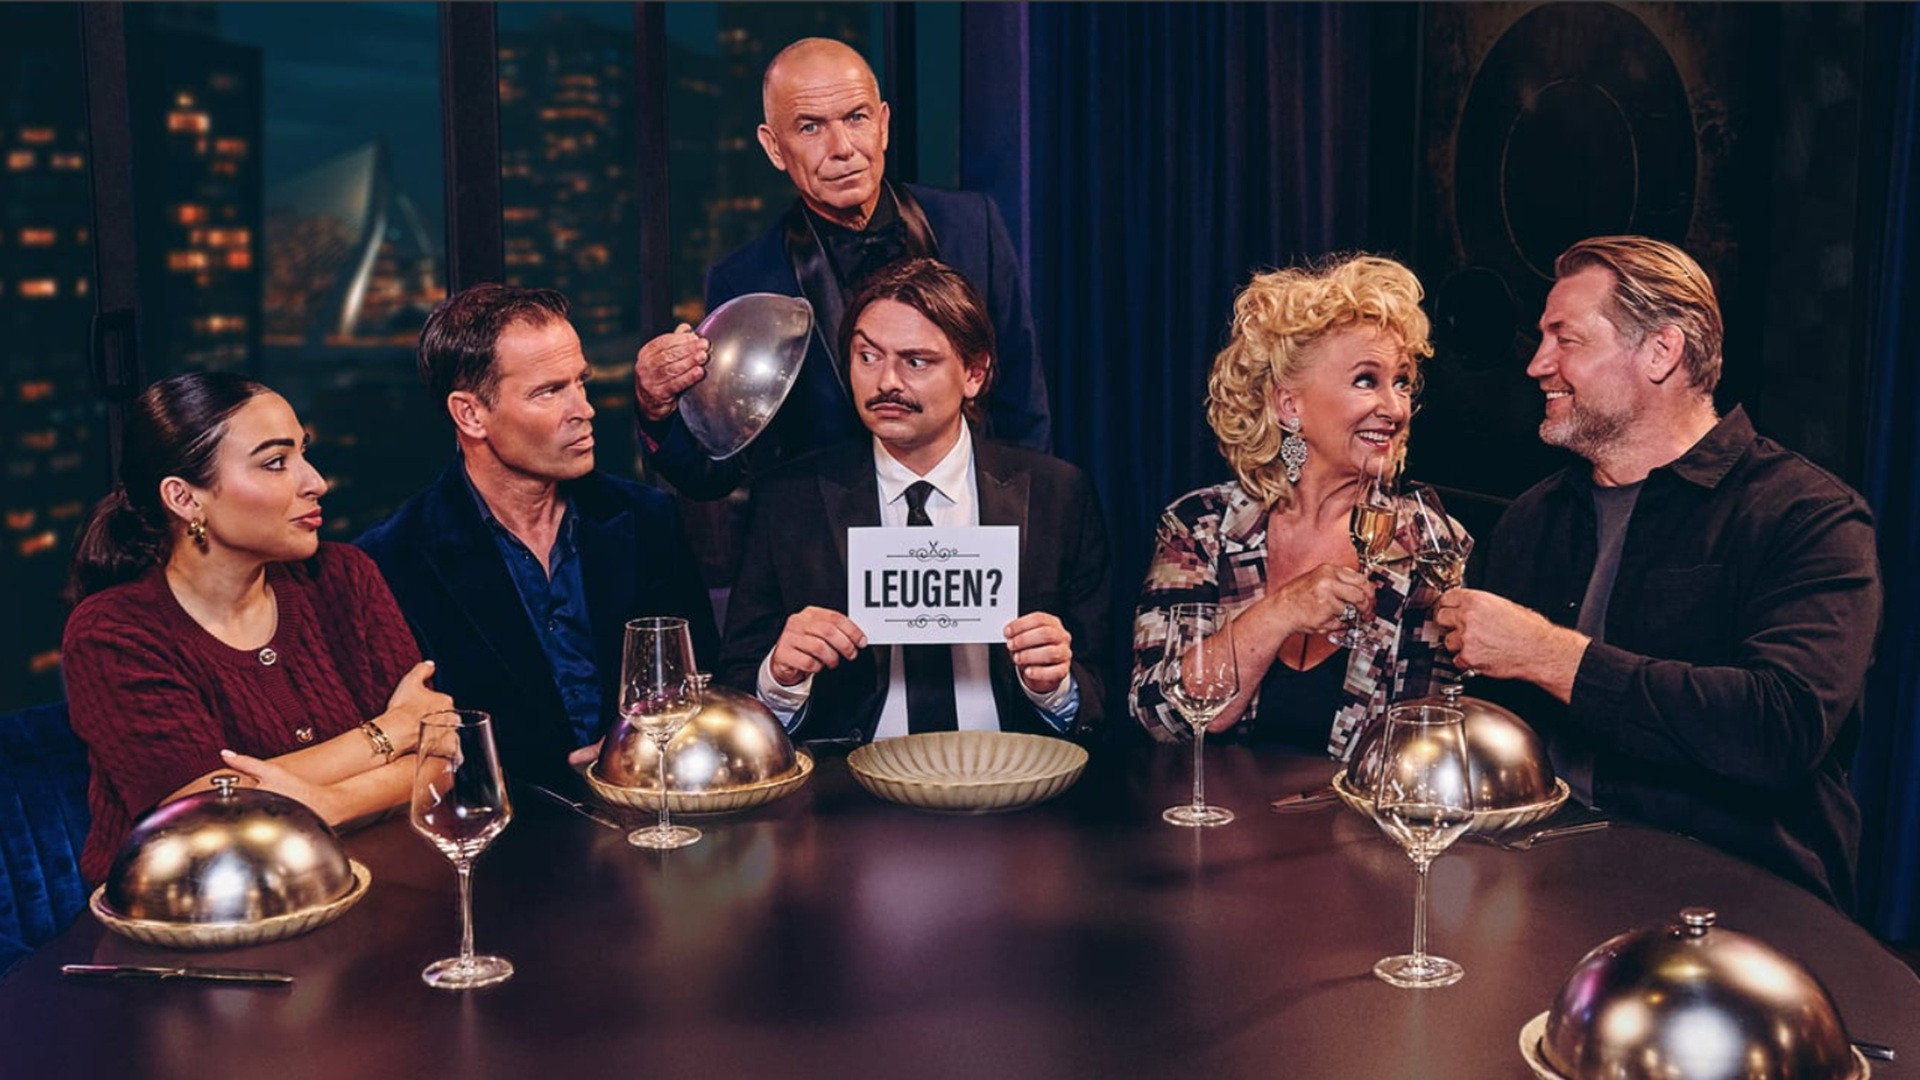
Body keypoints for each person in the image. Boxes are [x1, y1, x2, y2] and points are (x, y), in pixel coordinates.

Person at [1433, 236, 1881, 909]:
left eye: (1566, 339)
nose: (1537, 364)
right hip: (1536, 888)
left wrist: (1547, 654)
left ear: (1661, 351)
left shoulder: (1806, 516)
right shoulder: (1533, 518)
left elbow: (1779, 729)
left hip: (1736, 907)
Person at [62, 372, 448, 883]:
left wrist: (327, 803)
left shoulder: (343, 577)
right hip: (193, 912)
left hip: (367, 885)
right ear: (184, 498)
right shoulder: (113, 632)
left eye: (303, 453)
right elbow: (203, 816)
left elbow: (440, 758)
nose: (316, 482)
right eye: (275, 463)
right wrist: (388, 734)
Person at [633, 37, 1050, 501]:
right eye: (811, 127)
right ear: (774, 147)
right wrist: (655, 410)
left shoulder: (972, 225)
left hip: (972, 525)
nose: (843, 148)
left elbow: (1021, 406)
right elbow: (716, 473)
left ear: (883, 125)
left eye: (856, 118)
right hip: (823, 537)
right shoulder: (745, 279)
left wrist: (1018, 522)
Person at [717, 257, 1106, 743]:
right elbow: (734, 686)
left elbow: (1103, 690)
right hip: (849, 778)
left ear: (974, 373)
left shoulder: (1057, 495)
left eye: (916, 361)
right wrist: (780, 678)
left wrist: (1055, 688)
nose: (886, 383)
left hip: (1011, 773)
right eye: (867, 357)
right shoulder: (790, 501)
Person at [357, 284, 717, 788]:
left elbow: (703, 689)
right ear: (470, 414)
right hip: (505, 829)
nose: (584, 409)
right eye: (549, 391)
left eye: (581, 382)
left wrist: (632, 755)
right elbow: (415, 754)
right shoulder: (391, 562)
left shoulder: (646, 520)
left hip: (656, 808)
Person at [1131, 255, 1461, 757]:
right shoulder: (1200, 528)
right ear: (1289, 406)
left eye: (1402, 382)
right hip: (1215, 808)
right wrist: (1281, 612)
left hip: (1359, 810)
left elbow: (1428, 738)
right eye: (1366, 380)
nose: (1395, 409)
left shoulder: (1426, 542)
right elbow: (1159, 715)